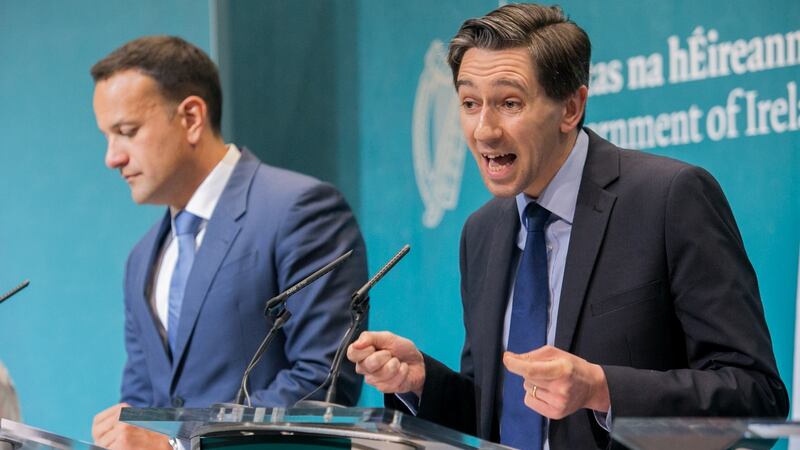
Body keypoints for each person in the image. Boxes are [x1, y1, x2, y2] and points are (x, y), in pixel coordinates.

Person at [347, 4, 789, 450]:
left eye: (509, 103)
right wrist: (423, 382)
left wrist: (602, 389)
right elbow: (500, 418)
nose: (484, 130)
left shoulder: (670, 198)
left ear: (570, 108)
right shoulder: (481, 232)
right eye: (469, 103)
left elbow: (756, 395)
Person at [89, 36, 368, 450]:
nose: (112, 157)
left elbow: (323, 380)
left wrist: (179, 445)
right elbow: (144, 405)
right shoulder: (141, 259)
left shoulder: (299, 209)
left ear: (191, 118)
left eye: (126, 132)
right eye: (107, 137)